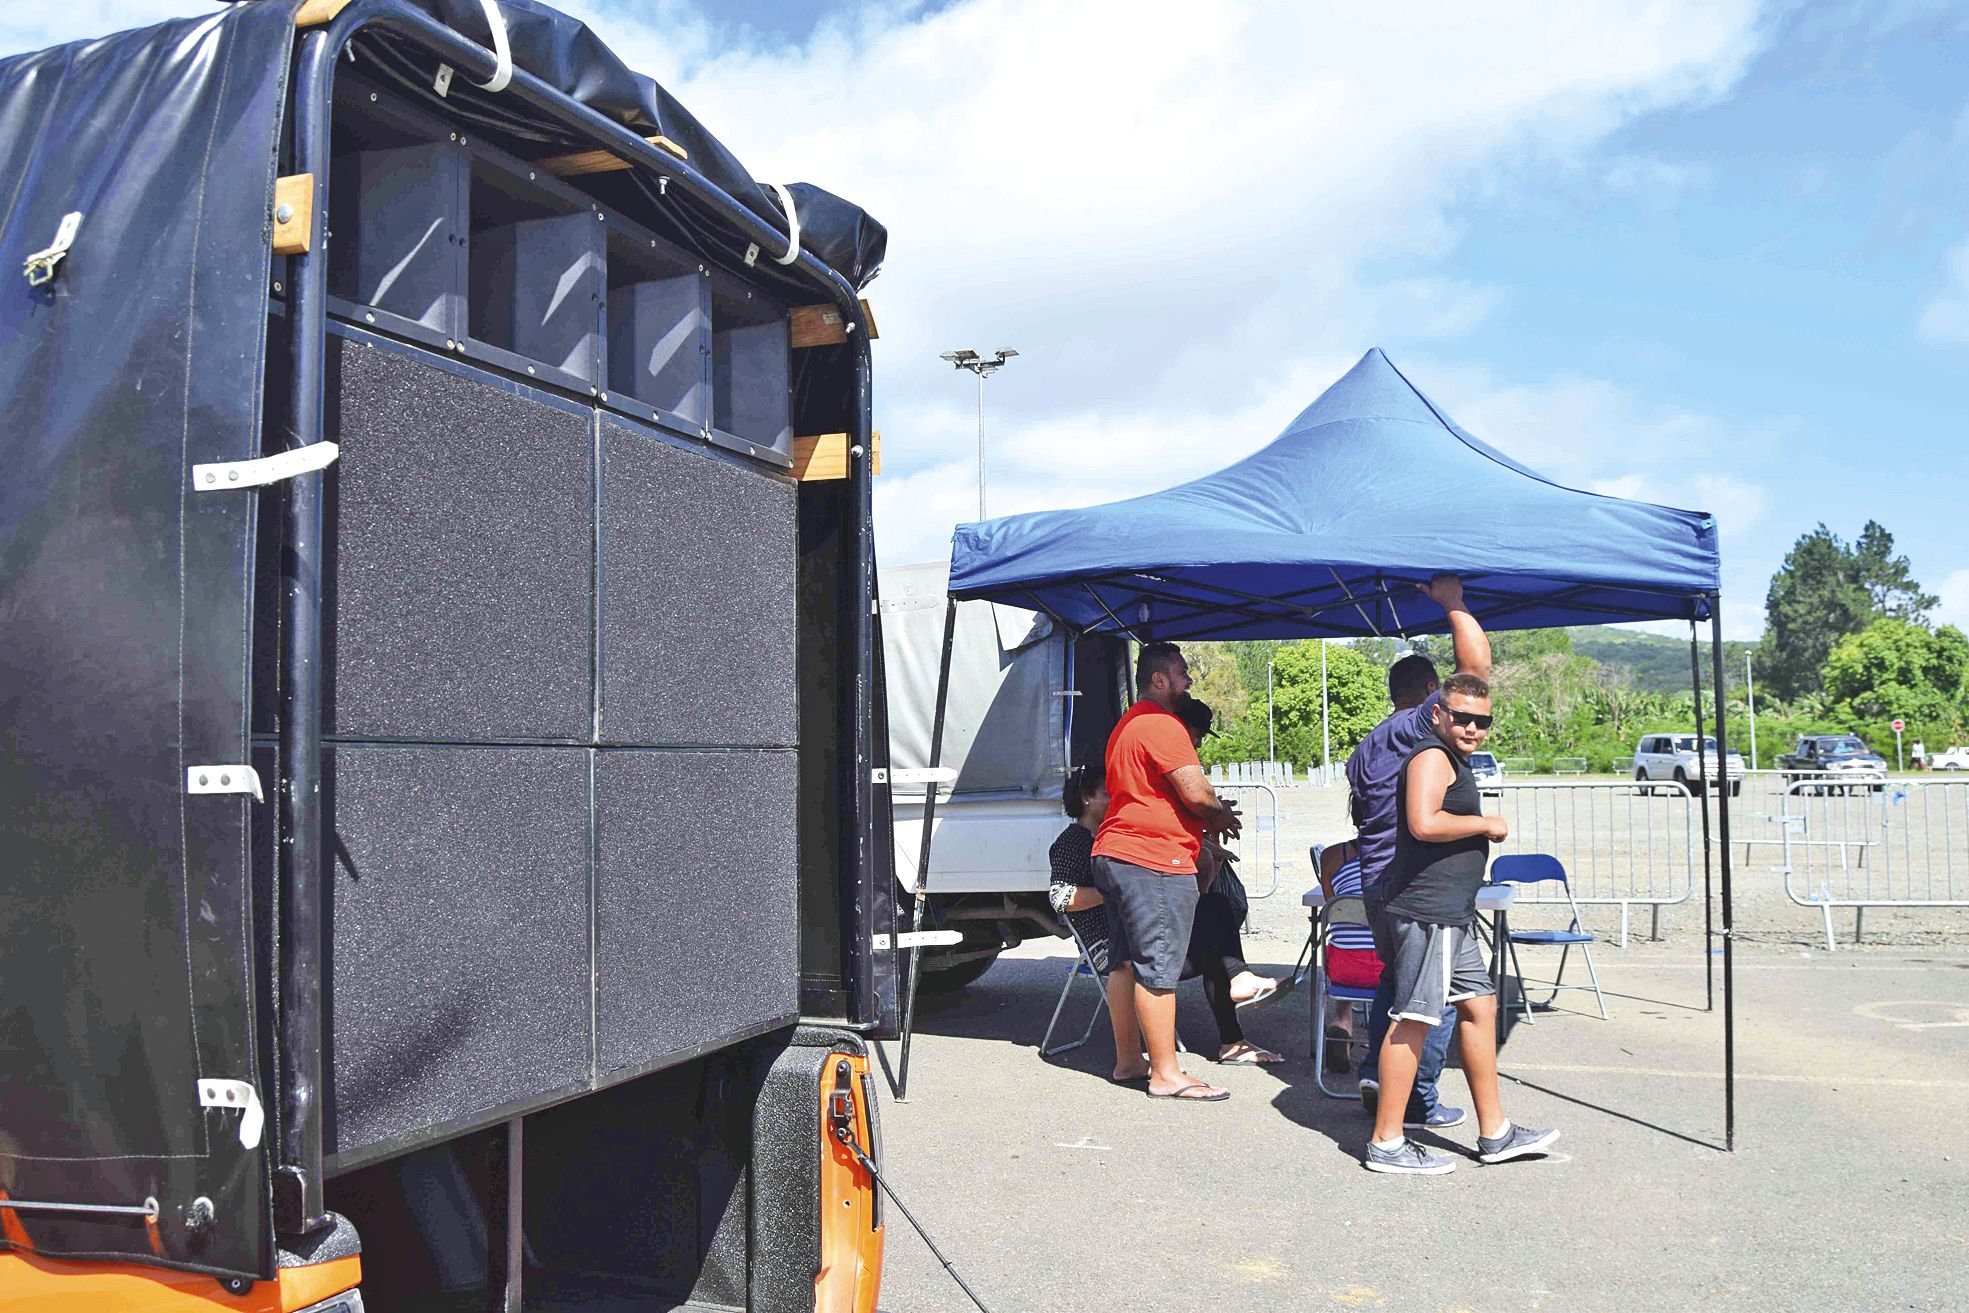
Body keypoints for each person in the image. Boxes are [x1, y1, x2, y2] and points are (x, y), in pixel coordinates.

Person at [1365, 673, 1560, 1173]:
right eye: (1463, 717)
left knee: (1481, 1007)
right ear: (1438, 714)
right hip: (1428, 914)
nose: (1473, 728)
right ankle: (1386, 1142)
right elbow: (1423, 823)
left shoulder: (1454, 758)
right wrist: (1485, 824)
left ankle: (1495, 1133)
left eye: (1483, 720)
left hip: (1452, 914)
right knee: (1412, 1020)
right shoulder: (1431, 757)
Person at [1346, 574, 1491, 1132]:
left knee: (1400, 985)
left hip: (1378, 880)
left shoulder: (1367, 746)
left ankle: (1375, 1073)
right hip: (1417, 889)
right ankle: (1415, 1103)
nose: (1469, 724)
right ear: (1433, 696)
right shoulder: (1421, 731)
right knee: (1425, 1008)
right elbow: (1476, 672)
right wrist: (1453, 603)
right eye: (1456, 710)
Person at [1092, 641, 1243, 1101]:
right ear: (1158, 679)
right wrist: (1219, 815)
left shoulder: (1128, 724)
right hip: (1153, 858)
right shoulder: (1162, 723)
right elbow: (1194, 793)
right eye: (1181, 673)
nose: (1189, 681)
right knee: (1158, 966)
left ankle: (1128, 1060)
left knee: (1123, 963)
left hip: (1116, 853)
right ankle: (1166, 1073)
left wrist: (1211, 814)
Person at [1175, 697, 1282, 1065]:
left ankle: (1233, 1037)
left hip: (1158, 920)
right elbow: (1065, 898)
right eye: (1198, 736)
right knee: (1215, 931)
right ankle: (1233, 1031)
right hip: (1132, 942)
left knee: (1214, 928)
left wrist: (1205, 840)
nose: (1200, 745)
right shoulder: (1084, 843)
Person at [1316, 832, 1379, 1074]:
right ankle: (1382, 1036)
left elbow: (1332, 907)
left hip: (1345, 969)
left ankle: (1342, 1020)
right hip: (1388, 969)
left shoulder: (1332, 855)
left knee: (1345, 944)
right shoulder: (1402, 856)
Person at [1048, 764, 1113, 973]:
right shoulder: (1072, 842)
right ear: (1086, 797)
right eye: (1107, 794)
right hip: (1106, 949)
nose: (1115, 800)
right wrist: (1116, 891)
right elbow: (1060, 897)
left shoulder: (1104, 836)